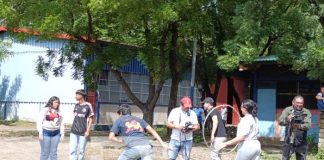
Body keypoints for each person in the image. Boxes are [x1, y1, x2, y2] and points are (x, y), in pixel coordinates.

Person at [279, 95, 311, 160]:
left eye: (301, 103)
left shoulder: (306, 112)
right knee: (285, 158)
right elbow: (280, 121)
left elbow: (308, 126)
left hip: (301, 141)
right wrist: (287, 119)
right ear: (293, 102)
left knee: (302, 158)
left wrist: (297, 126)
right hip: (288, 139)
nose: (299, 105)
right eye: (297, 102)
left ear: (303, 103)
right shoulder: (288, 110)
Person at [69, 89, 94, 160]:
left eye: (77, 95)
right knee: (72, 150)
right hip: (73, 131)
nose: (75, 96)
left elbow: (91, 119)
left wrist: (88, 131)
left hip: (83, 132)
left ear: (82, 96)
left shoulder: (88, 105)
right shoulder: (76, 105)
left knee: (81, 151)